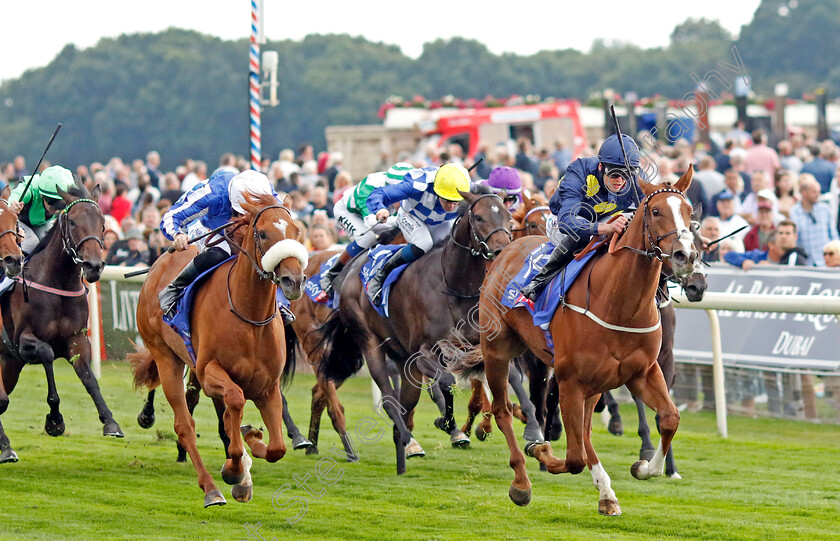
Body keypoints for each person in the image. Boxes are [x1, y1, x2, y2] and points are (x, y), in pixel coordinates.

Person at [158, 169, 296, 323]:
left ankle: (278, 301)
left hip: (247, 227)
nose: (244, 217)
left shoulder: (266, 192)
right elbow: (170, 217)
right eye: (240, 212)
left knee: (264, 250)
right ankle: (174, 289)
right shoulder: (213, 194)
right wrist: (177, 235)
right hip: (208, 225)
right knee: (220, 252)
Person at [520, 134, 643, 301]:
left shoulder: (632, 180)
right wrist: (605, 228)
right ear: (601, 167)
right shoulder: (578, 172)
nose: (620, 181)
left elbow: (649, 208)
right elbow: (567, 221)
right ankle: (539, 282)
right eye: (615, 174)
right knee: (583, 236)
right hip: (562, 222)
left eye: (626, 175)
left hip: (603, 217)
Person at [364, 163, 472, 304]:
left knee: (452, 248)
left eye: (456, 202)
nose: (451, 207)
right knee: (424, 244)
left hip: (441, 222)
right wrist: (380, 209)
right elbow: (379, 193)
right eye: (446, 200)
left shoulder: (467, 187)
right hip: (411, 216)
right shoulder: (417, 184)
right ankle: (381, 275)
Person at [319, 162, 412, 295]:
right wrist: (400, 220)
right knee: (367, 239)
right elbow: (372, 224)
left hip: (383, 212)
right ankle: (332, 274)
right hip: (350, 212)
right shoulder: (370, 188)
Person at [8, 165, 78, 254]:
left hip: (41, 224)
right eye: (52, 204)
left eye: (60, 206)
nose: (55, 210)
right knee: (32, 243)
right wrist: (12, 205)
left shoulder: (70, 193)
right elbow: (8, 202)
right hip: (20, 222)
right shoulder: (29, 188)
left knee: (52, 243)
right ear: (41, 195)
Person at [789, 175, 838, 266]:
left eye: (818, 192)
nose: (818, 195)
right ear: (804, 193)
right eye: (814, 192)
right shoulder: (794, 212)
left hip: (825, 263)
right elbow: (794, 239)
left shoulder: (825, 209)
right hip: (805, 263)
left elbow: (833, 236)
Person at [723, 221, 807, 270]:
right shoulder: (758, 256)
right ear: (771, 244)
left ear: (795, 237)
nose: (783, 237)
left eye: (787, 234)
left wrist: (770, 269)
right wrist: (744, 262)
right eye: (780, 233)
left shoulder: (795, 258)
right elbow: (728, 255)